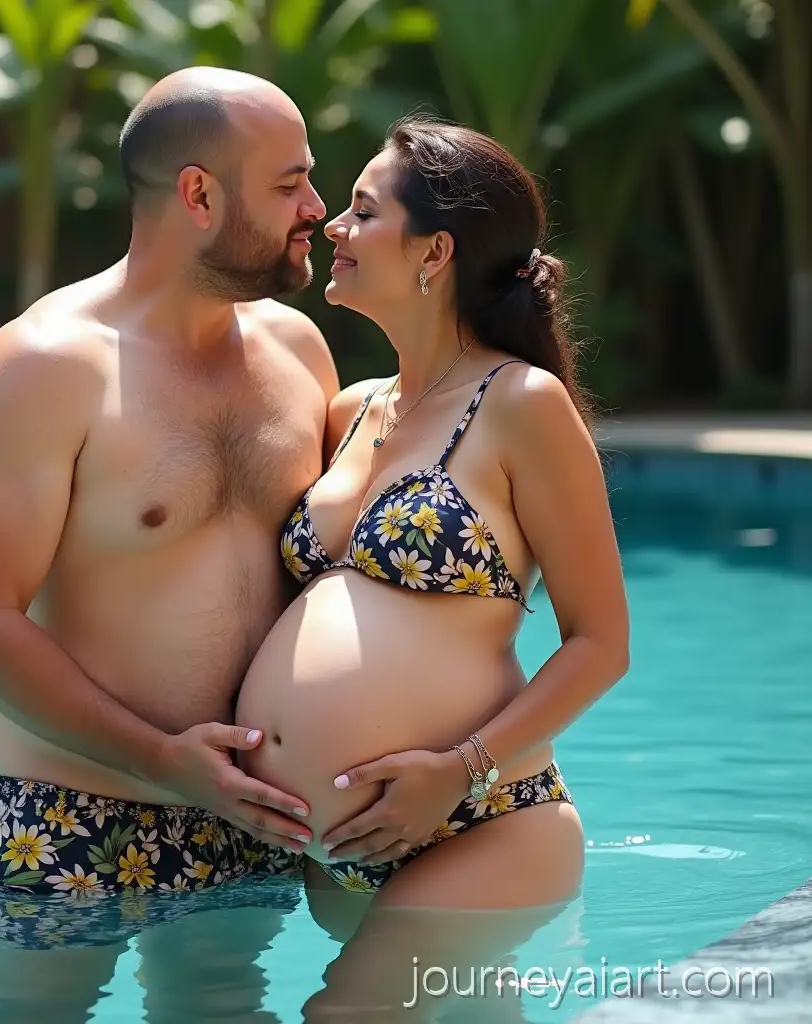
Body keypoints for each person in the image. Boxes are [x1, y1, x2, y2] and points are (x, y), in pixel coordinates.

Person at [0, 66, 338, 1022]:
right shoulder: (44, 368)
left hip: (244, 816)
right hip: (68, 815)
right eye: (290, 184)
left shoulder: (298, 351)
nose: (317, 207)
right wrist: (159, 759)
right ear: (198, 194)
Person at [232, 115, 631, 1019]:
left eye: (363, 212)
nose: (333, 225)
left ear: (434, 251)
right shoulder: (352, 410)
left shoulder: (521, 405)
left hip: (483, 820)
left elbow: (602, 643)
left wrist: (460, 771)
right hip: (341, 848)